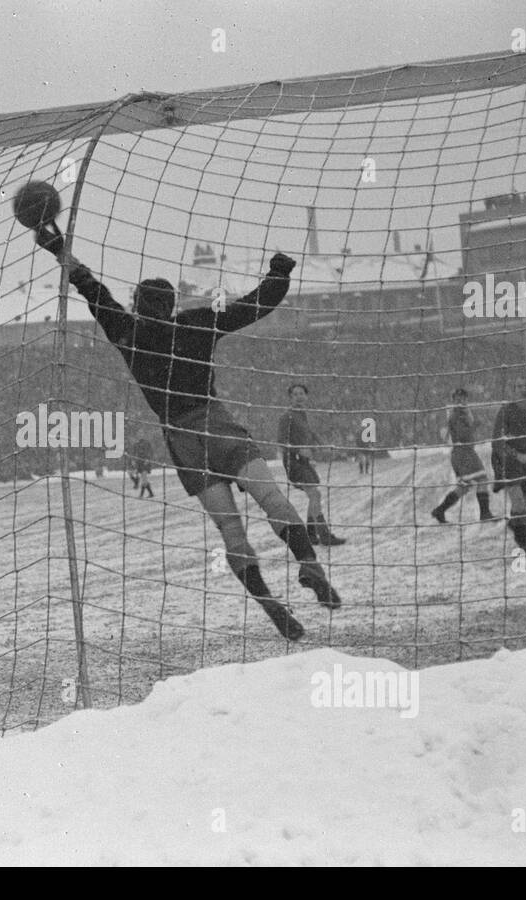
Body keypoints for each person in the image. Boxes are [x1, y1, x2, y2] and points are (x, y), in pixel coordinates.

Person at [34, 230, 340, 642]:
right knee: (272, 500)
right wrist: (279, 271)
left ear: (136, 305)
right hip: (217, 425)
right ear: (172, 304)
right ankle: (309, 563)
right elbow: (254, 306)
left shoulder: (126, 332)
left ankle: (269, 602)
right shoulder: (196, 325)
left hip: (181, 438)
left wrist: (57, 248)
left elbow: (89, 285)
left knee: (231, 530)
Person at [277, 384, 345, 546]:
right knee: (315, 495)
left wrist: (322, 446)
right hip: (293, 462)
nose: (299, 397)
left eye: (302, 394)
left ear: (306, 396)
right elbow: (282, 442)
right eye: (295, 394)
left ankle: (311, 534)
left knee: (314, 494)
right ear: (290, 398)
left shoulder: (302, 415)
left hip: (305, 461)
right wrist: (298, 451)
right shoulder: (287, 417)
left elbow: (310, 434)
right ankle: (324, 535)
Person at [491, 373, 526, 555]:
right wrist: (516, 455)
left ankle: (514, 524)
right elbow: (498, 441)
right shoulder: (505, 411)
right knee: (519, 506)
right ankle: (524, 547)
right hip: (511, 464)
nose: (524, 390)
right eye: (520, 386)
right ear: (514, 390)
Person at [431, 387, 496, 523]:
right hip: (463, 453)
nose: (461, 400)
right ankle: (485, 514)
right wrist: (475, 426)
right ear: (453, 400)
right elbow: (462, 435)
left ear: (467, 399)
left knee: (464, 486)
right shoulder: (458, 414)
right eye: (457, 398)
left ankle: (440, 510)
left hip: (463, 452)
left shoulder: (463, 412)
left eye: (463, 398)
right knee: (482, 479)